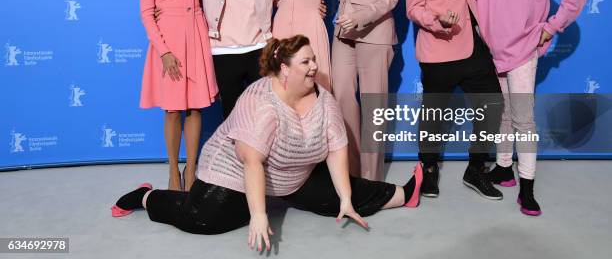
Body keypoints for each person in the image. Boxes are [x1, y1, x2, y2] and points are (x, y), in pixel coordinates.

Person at [112, 35, 423, 252]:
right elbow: (252, 162)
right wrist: (259, 215)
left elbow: (336, 149)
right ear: (285, 70)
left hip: (292, 173)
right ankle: (146, 197)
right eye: (306, 62)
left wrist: (343, 197)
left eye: (314, 59)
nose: (314, 67)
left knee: (348, 201)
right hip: (233, 173)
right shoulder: (261, 103)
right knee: (203, 219)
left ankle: (406, 192)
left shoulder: (323, 100)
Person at [473, 0, 587, 215]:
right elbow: (477, 11)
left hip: (524, 52)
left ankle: (527, 187)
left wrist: (551, 28)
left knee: (523, 119)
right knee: (505, 115)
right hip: (493, 55)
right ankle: (503, 168)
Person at [405, 0, 504, 200]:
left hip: (473, 45)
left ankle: (476, 169)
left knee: (492, 104)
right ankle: (428, 169)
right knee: (434, 116)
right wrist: (437, 21)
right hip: (438, 47)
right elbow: (413, 8)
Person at [138, 0, 218, 191]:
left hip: (196, 36)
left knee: (196, 108)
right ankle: (173, 172)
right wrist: (165, 51)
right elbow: (147, 13)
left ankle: (192, 171)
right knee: (172, 110)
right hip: (169, 40)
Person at [332, 0, 406, 181]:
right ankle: (350, 175)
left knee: (374, 107)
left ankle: (371, 181)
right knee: (342, 99)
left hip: (372, 32)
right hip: (343, 31)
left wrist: (358, 16)